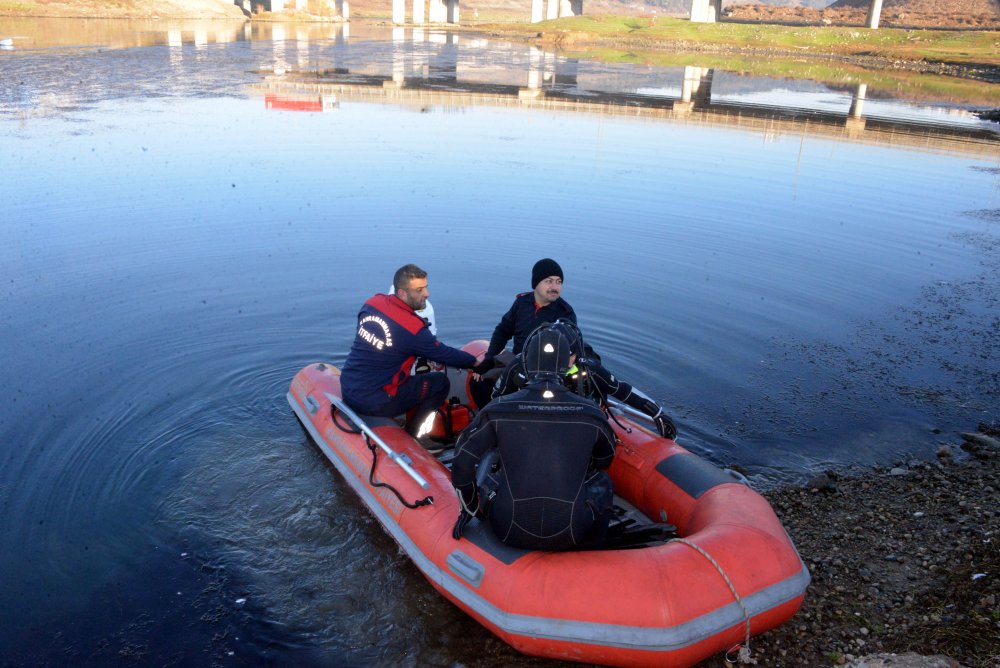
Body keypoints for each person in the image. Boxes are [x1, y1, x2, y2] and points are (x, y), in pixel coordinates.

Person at [451, 325, 616, 550]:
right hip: (571, 530)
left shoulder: (497, 409)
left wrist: (469, 506)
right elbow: (604, 460)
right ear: (568, 362)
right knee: (603, 482)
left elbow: (462, 460)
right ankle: (594, 551)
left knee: (489, 470)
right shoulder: (592, 414)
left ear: (526, 361)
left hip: (507, 528)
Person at [476, 258, 678, 440]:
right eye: (549, 281)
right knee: (481, 384)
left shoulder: (564, 314)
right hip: (524, 366)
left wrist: (657, 412)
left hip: (552, 376)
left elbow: (617, 386)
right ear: (536, 283)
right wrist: (488, 359)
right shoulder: (522, 303)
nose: (555, 287)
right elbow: (503, 330)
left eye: (559, 282)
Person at [340, 264, 488, 438]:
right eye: (420, 290)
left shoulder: (372, 304)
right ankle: (414, 435)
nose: (427, 294)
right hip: (377, 401)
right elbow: (444, 354)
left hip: (349, 387)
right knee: (439, 383)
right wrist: (475, 363)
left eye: (426, 287)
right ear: (402, 292)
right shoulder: (412, 329)